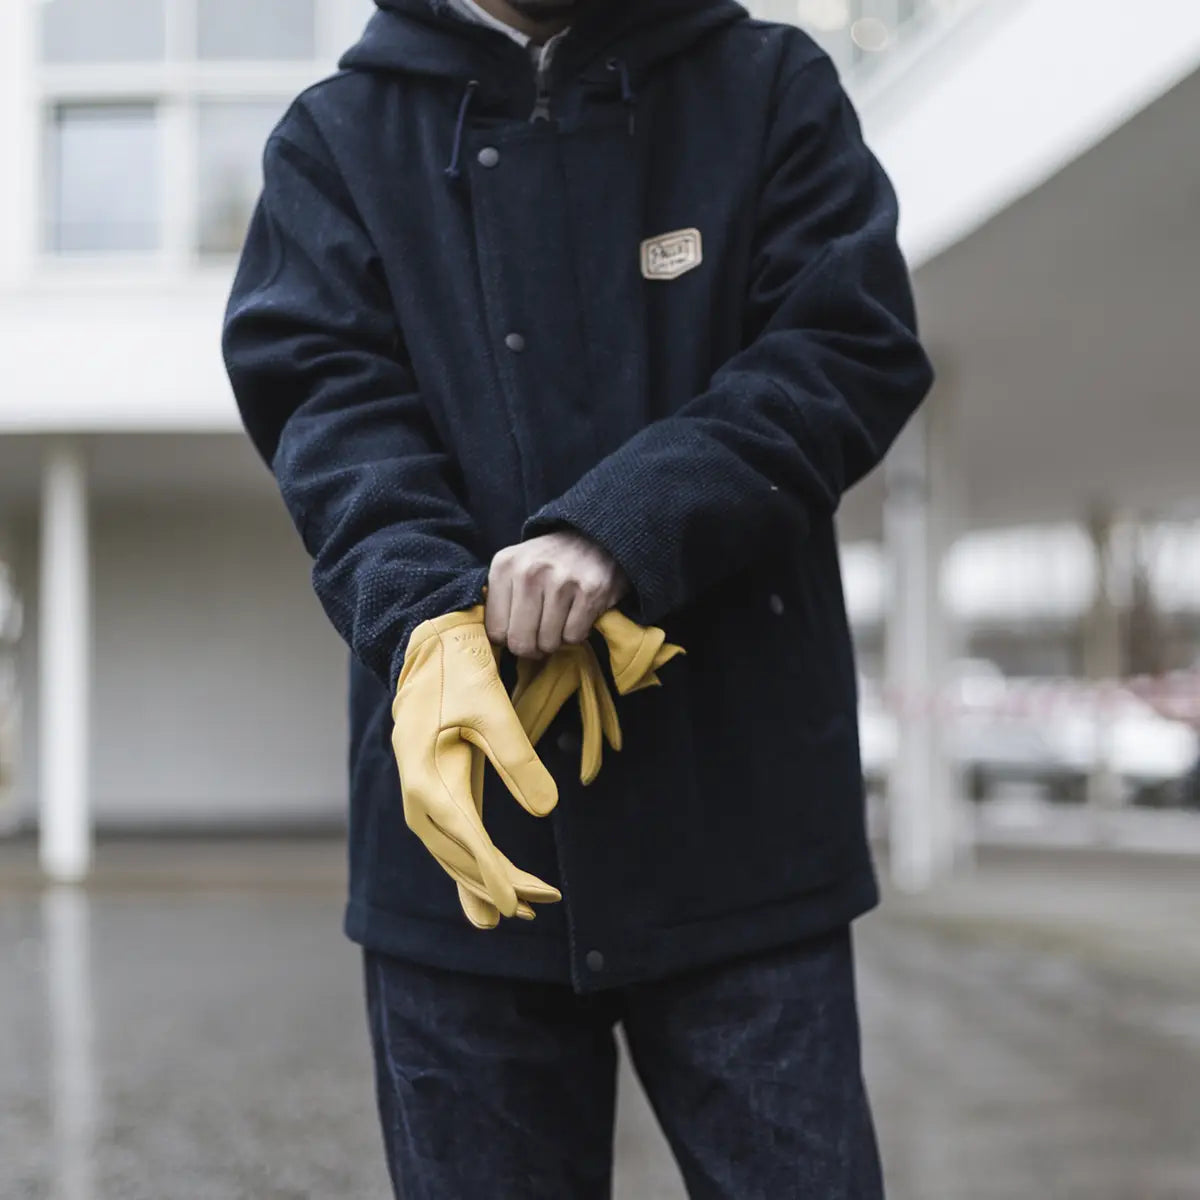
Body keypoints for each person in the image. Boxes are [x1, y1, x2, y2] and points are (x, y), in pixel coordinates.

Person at [221, 0, 934, 1194]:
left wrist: (621, 528)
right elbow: (327, 409)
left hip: (743, 831)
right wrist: (427, 614)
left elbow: (844, 345)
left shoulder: (764, 86)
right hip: (463, 863)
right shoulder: (337, 141)